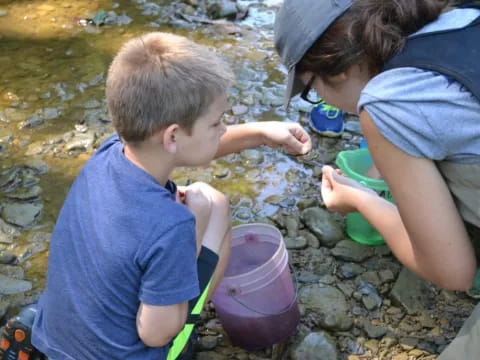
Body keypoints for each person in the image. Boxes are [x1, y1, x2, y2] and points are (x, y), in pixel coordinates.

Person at [13, 32, 312, 360]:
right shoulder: (171, 226)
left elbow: (188, 148)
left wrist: (260, 133)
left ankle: (41, 329)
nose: (223, 130)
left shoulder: (110, 151)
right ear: (172, 135)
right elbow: (156, 333)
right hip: (136, 352)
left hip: (58, 337)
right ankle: (191, 334)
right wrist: (191, 229)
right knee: (212, 210)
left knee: (212, 200)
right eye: (216, 123)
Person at [274, 0, 480, 358]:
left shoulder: (385, 102)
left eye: (310, 89)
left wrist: (361, 201)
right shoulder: (463, 16)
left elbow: (453, 273)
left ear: (335, 70)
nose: (321, 100)